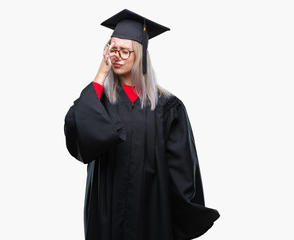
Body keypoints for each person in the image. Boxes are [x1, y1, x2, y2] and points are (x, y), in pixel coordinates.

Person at [64, 9, 219, 240]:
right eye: (112, 49)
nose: (117, 56)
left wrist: (180, 209)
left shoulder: (167, 107)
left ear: (141, 55)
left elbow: (182, 167)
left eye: (125, 51)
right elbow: (77, 129)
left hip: (152, 207)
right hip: (106, 209)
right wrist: (101, 74)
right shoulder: (100, 101)